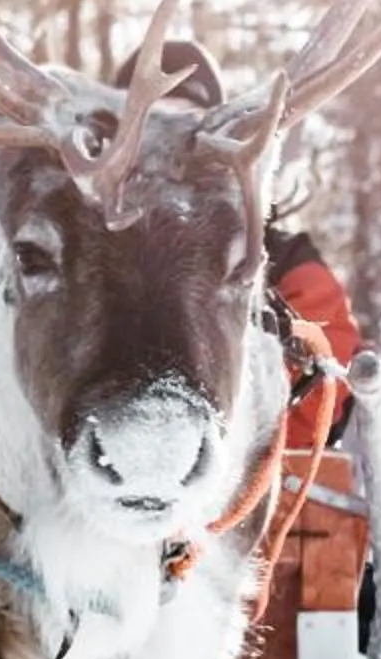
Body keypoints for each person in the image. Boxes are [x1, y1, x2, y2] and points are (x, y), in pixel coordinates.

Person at [111, 39, 365, 454]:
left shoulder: (285, 266)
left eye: (185, 129)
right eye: (149, 130)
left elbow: (311, 421)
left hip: (240, 492)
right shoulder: (79, 262)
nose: (167, 155)